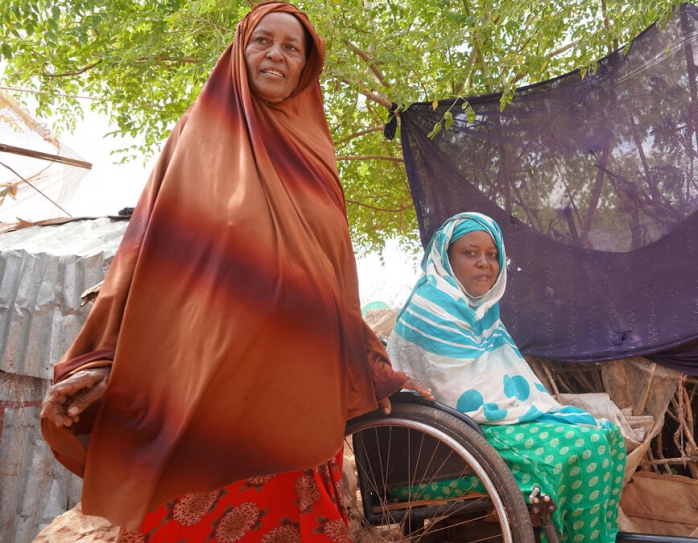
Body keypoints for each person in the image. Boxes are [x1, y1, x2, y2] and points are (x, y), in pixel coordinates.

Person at [39, 2, 431, 541]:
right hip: (204, 384)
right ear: (239, 51)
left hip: (298, 385)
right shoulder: (196, 135)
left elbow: (334, 278)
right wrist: (105, 355)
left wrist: (368, 360)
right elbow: (149, 255)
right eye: (262, 41)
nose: (276, 55)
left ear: (306, 65)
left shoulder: (316, 155)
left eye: (292, 47)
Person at [388, 212, 625, 543]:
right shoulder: (433, 305)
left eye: (492, 254)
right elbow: (461, 393)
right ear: (445, 257)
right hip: (443, 456)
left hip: (478, 432)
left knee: (607, 437)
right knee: (587, 448)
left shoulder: (481, 311)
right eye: (470, 253)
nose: (484, 263)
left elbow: (502, 382)